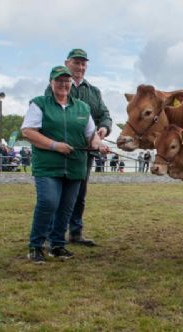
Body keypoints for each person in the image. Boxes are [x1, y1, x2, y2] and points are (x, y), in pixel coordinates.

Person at [21, 65, 109, 264]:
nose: (63, 84)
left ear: (70, 83)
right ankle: (36, 246)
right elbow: (27, 131)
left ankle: (57, 245)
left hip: (75, 166)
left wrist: (99, 145)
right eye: (59, 80)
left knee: (66, 208)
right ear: (51, 83)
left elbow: (91, 135)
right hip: (48, 165)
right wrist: (55, 145)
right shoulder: (40, 104)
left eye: (66, 81)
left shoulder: (82, 108)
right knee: (48, 202)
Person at [45, 48, 112, 246]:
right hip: (59, 151)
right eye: (76, 62)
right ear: (67, 63)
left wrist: (103, 129)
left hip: (84, 153)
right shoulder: (55, 86)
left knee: (79, 194)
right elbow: (49, 114)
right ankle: (53, 233)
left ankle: (76, 232)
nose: (80, 67)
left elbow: (105, 115)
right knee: (56, 195)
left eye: (83, 64)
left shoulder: (93, 92)